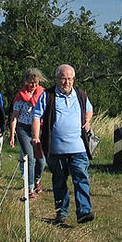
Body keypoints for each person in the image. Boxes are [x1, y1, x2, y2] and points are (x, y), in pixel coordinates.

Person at [32, 64, 95, 225]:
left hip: (79, 147)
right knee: (59, 181)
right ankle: (61, 213)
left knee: (81, 177)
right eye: (63, 78)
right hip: (56, 149)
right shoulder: (48, 95)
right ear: (57, 79)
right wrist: (35, 137)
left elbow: (89, 110)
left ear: (73, 79)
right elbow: (36, 116)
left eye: (69, 79)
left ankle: (84, 211)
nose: (66, 82)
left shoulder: (81, 95)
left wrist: (87, 120)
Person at [9, 68, 47, 201]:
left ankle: (37, 180)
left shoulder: (42, 94)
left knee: (41, 160)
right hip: (24, 130)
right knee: (30, 158)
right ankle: (29, 188)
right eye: (31, 83)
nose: (34, 86)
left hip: (37, 130)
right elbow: (14, 117)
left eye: (36, 83)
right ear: (26, 82)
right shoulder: (20, 97)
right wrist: (12, 134)